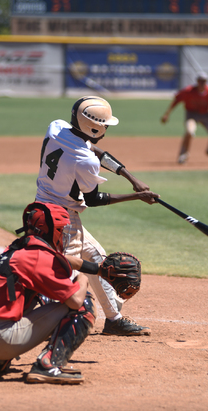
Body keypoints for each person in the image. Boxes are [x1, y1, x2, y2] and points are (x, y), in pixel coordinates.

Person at [35, 96, 159, 336]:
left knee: (96, 257)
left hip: (41, 207)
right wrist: (137, 197)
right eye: (105, 126)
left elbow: (93, 148)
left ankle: (114, 319)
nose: (107, 130)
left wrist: (129, 177)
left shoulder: (57, 127)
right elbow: (93, 199)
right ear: (95, 128)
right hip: (62, 219)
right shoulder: (84, 161)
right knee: (66, 272)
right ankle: (52, 322)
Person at [0, 202, 95, 384]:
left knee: (34, 294)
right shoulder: (38, 256)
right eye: (60, 230)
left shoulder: (18, 248)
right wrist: (83, 278)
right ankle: (48, 365)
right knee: (84, 303)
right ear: (49, 229)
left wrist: (98, 269)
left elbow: (61, 261)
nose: (62, 235)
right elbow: (75, 301)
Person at [160, 72, 208, 164]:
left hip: (206, 115)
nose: (202, 83)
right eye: (200, 81)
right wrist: (167, 114)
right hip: (192, 115)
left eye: (204, 81)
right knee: (190, 131)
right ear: (197, 81)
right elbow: (176, 100)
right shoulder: (188, 91)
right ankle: (183, 155)